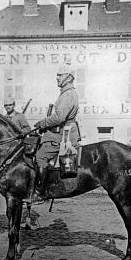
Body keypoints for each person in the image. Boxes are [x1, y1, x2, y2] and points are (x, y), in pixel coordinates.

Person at [32, 64, 80, 203]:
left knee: (41, 156)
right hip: (61, 132)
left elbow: (59, 118)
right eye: (57, 75)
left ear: (69, 77)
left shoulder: (68, 95)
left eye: (60, 75)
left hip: (65, 135)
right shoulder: (66, 93)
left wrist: (43, 123)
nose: (57, 77)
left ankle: (39, 193)